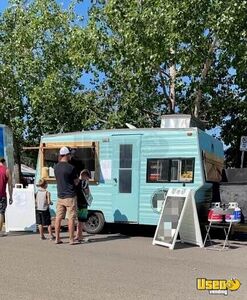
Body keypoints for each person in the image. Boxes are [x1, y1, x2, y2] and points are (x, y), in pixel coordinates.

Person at [54, 147, 78, 245]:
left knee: (58, 218)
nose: (71, 156)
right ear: (67, 155)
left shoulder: (56, 167)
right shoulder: (71, 167)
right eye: (70, 155)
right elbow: (76, 182)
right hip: (70, 196)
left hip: (60, 196)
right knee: (71, 218)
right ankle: (71, 239)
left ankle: (57, 238)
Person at [75, 169, 91, 243]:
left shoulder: (76, 181)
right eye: (87, 176)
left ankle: (77, 235)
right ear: (85, 175)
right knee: (81, 221)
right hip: (83, 203)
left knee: (78, 220)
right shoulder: (84, 183)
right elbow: (86, 192)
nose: (88, 178)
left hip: (77, 203)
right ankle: (80, 236)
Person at [0, 157, 13, 236]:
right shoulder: (7, 170)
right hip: (2, 195)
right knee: (1, 213)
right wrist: (11, 196)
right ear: (4, 162)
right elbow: (10, 185)